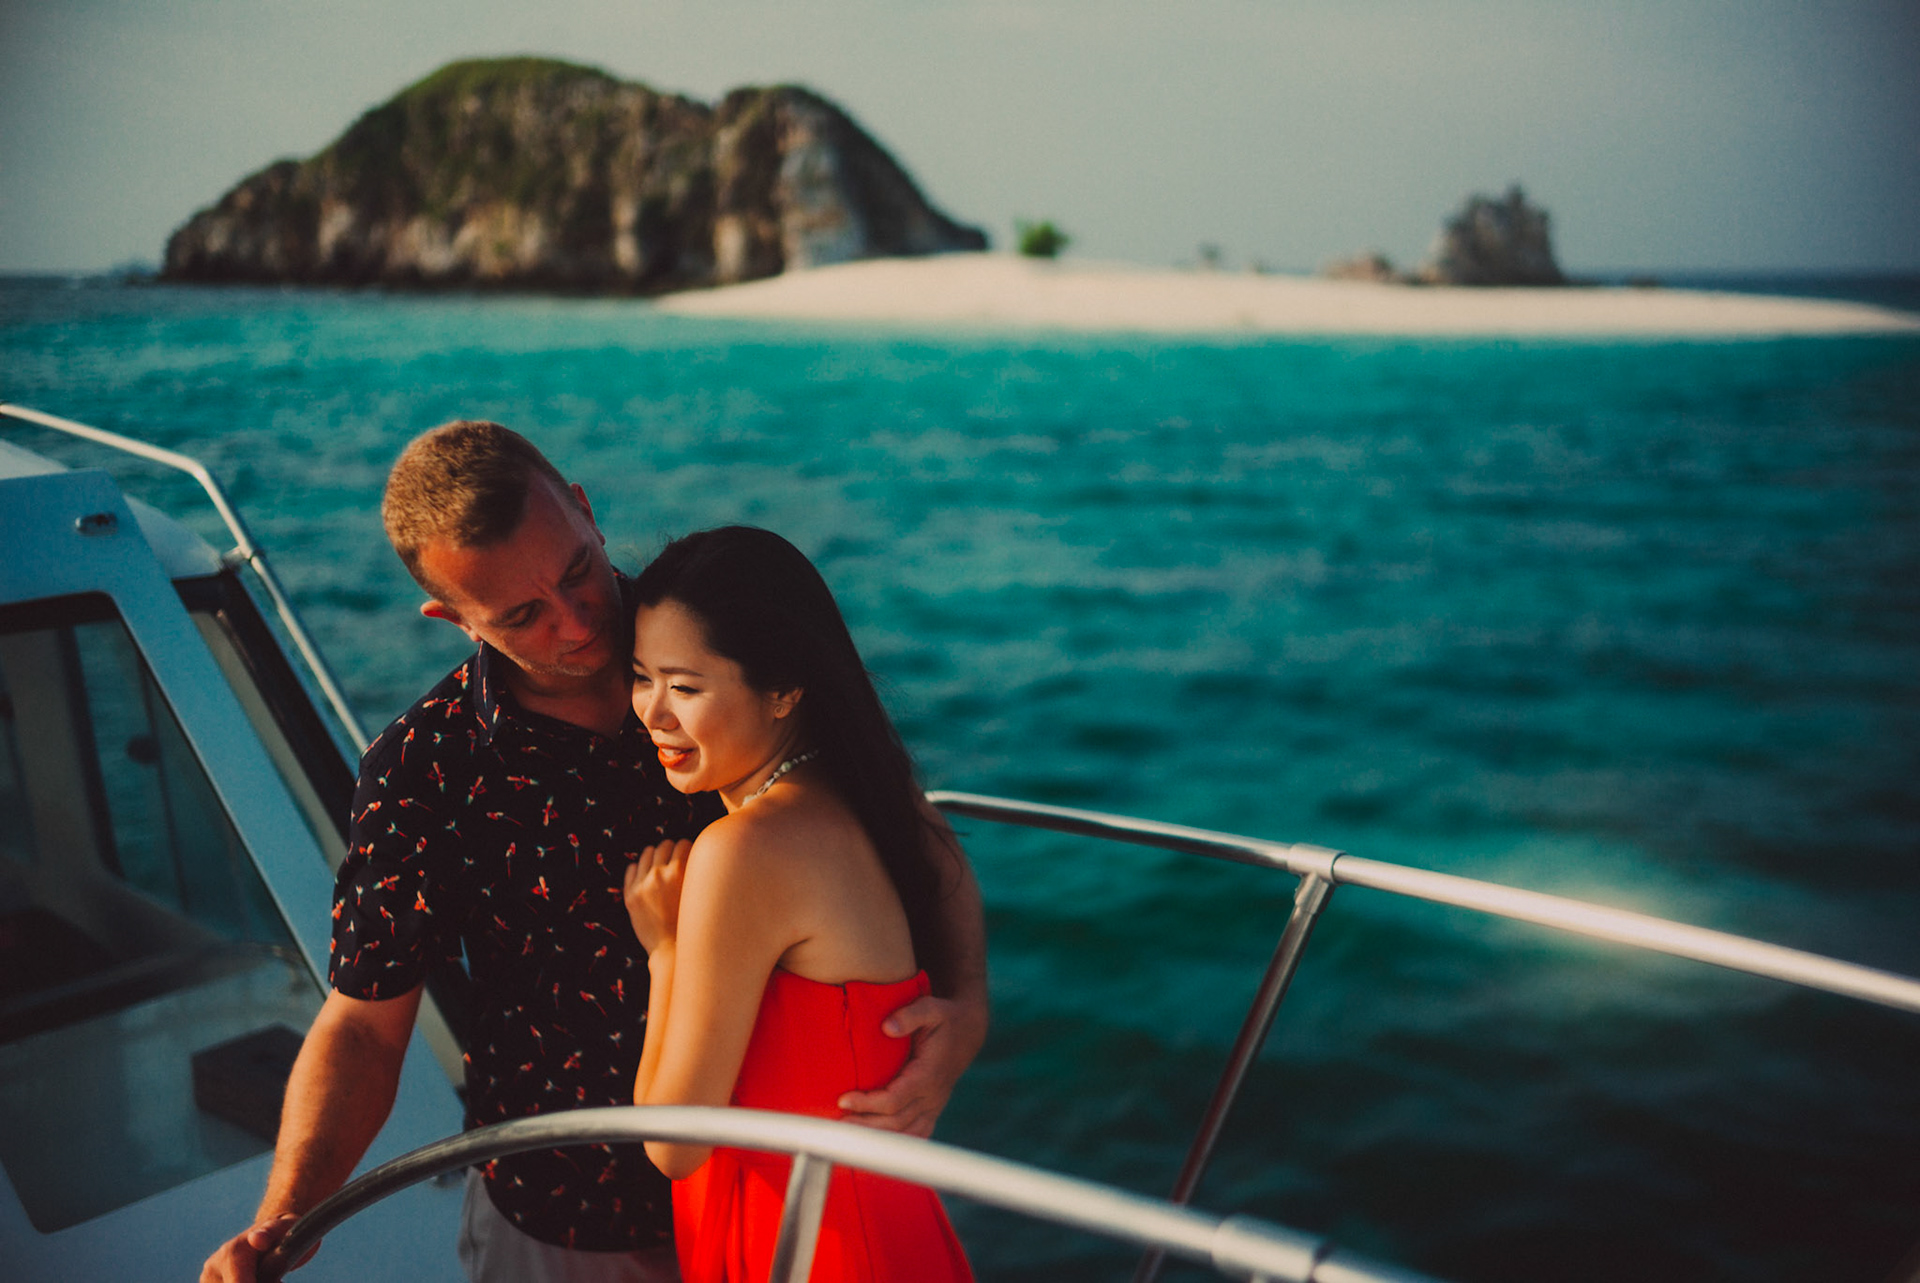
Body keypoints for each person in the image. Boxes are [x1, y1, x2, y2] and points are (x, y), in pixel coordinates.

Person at [202, 423, 988, 1283]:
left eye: (576, 570)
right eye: (523, 615)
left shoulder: (712, 629)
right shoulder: (426, 769)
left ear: (584, 509)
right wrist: (285, 1216)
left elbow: (896, 812)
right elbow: (363, 1021)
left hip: (768, 1196)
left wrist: (966, 1003)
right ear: (451, 617)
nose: (578, 623)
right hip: (568, 1222)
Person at [622, 526, 974, 1283]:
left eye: (684, 686)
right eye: (640, 675)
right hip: (881, 1227)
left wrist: (667, 951)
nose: (652, 711)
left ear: (782, 688)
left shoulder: (742, 850)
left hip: (808, 1247)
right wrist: (969, 1010)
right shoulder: (878, 793)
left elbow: (672, 1143)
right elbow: (955, 884)